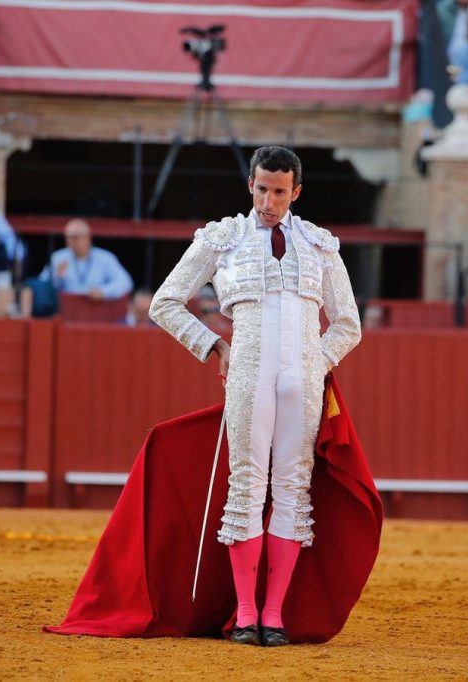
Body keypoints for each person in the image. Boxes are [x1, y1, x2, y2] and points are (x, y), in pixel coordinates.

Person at [148, 146, 363, 646]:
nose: (269, 201)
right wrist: (213, 346)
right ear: (250, 185)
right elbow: (165, 302)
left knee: (292, 489)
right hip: (247, 371)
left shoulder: (319, 244)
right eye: (262, 189)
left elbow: (349, 323)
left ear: (296, 192)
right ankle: (246, 613)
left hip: (301, 380)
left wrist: (316, 361)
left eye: (280, 192)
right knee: (247, 487)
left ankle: (274, 613)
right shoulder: (223, 238)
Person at [44, 218, 133, 300]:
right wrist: (57, 277)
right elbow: (42, 286)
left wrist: (104, 291)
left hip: (96, 309)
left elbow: (125, 282)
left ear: (88, 237)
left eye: (75, 237)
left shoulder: (105, 258)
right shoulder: (58, 258)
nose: (70, 241)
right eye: (68, 237)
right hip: (67, 309)